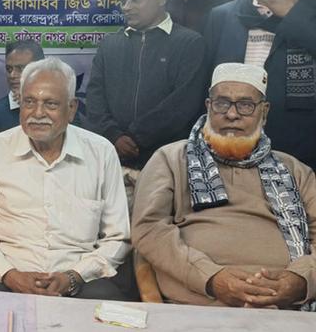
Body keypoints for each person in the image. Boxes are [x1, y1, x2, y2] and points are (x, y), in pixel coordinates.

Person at [133, 63, 316, 309]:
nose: (232, 114)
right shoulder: (171, 159)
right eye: (222, 103)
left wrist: (301, 280)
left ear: (264, 112)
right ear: (208, 106)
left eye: (246, 105)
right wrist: (211, 278)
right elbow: (149, 229)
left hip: (285, 306)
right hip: (197, 303)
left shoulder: (295, 170)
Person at [0, 57, 132, 300]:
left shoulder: (101, 153)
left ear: (71, 109)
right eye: (29, 102)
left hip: (81, 280)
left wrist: (73, 276)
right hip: (7, 276)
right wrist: (8, 274)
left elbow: (118, 237)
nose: (38, 113)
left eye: (50, 104)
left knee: (108, 305)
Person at [85, 0, 206, 208]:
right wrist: (115, 136)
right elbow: (94, 97)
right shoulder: (110, 45)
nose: (126, 7)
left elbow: (183, 104)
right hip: (114, 162)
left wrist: (136, 137)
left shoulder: (189, 43)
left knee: (159, 226)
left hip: (166, 163)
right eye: (123, 1)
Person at [205, 0, 316, 171]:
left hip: (301, 153)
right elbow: (207, 85)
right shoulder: (223, 16)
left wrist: (293, 16)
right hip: (229, 149)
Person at [0, 40, 44, 135]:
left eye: (21, 69)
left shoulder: (56, 107)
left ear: (40, 71)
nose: (12, 75)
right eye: (9, 69)